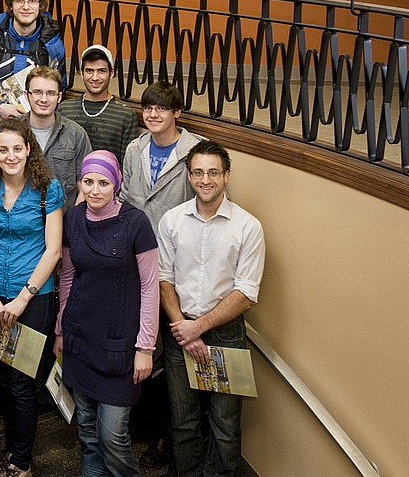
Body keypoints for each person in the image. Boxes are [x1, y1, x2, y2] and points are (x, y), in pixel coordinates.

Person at [158, 140, 265, 477]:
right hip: (179, 330)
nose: (205, 180)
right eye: (199, 172)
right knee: (184, 422)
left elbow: (246, 292)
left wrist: (198, 327)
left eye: (213, 173)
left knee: (224, 424)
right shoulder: (172, 220)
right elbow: (164, 279)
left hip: (225, 335)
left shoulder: (248, 226)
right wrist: (184, 329)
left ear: (226, 176)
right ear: (190, 176)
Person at [56, 151, 159, 477]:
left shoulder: (136, 223)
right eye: (88, 182)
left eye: (103, 183)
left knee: (111, 435)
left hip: (120, 345)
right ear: (80, 183)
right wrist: (61, 330)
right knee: (86, 430)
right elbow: (68, 276)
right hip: (80, 338)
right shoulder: (73, 219)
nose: (95, 190)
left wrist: (145, 347)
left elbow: (150, 287)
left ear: (117, 184)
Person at [0, 118, 63, 477]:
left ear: (29, 150)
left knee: (20, 382)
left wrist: (22, 299)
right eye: (3, 149)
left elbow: (53, 250)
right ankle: (8, 447)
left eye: (17, 148)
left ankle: (19, 462)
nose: (10, 156)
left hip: (34, 298)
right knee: (1, 375)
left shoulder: (48, 189)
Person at [121, 82, 204, 231]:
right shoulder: (134, 149)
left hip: (177, 240)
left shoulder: (197, 153)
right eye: (148, 108)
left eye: (162, 109)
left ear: (177, 112)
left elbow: (211, 201)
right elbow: (125, 196)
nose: (153, 115)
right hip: (136, 240)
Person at [56, 44, 139, 165]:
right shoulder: (64, 109)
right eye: (89, 71)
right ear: (82, 73)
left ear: (111, 73)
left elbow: (128, 163)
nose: (95, 77)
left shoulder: (126, 114)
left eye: (101, 71)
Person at [23, 66, 89, 213]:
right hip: (20, 226)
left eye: (51, 93)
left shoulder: (76, 134)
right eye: (37, 92)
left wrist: (73, 221)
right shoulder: (11, 132)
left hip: (64, 221)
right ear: (27, 95)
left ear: (59, 97)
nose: (44, 99)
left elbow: (85, 184)